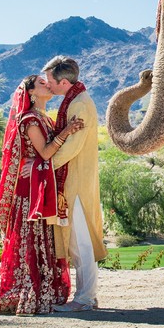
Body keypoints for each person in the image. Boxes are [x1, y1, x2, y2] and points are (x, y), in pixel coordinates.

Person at [0, 75, 84, 315]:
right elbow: (44, 153)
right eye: (42, 83)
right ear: (31, 92)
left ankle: (47, 290)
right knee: (32, 238)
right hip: (29, 190)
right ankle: (28, 292)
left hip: (38, 185)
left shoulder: (44, 118)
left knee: (45, 238)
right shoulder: (31, 119)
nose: (48, 85)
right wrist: (67, 131)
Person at [42, 55, 106, 312]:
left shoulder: (79, 104)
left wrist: (44, 165)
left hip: (76, 181)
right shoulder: (76, 100)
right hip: (75, 179)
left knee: (80, 242)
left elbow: (72, 146)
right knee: (78, 241)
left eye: (50, 81)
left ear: (64, 82)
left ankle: (85, 299)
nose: (48, 85)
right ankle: (86, 296)